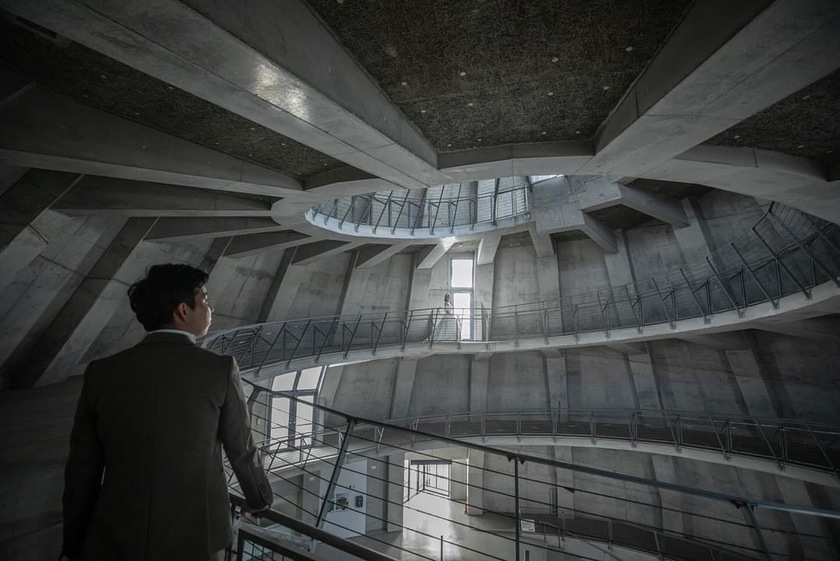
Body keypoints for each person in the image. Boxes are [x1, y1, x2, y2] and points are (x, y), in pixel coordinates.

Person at [61, 264, 273, 561]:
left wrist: (73, 543)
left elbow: (82, 468)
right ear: (183, 310)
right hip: (198, 531)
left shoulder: (102, 373)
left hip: (118, 531)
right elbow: (241, 447)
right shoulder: (219, 369)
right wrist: (259, 498)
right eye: (206, 300)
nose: (211, 309)